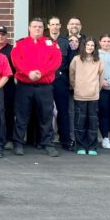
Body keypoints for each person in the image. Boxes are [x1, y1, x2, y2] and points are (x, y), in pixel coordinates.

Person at [11, 18, 62, 157]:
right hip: (24, 86)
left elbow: (56, 62)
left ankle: (48, 144)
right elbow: (16, 61)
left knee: (46, 116)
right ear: (29, 28)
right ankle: (18, 144)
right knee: (21, 115)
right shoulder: (20, 43)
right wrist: (29, 73)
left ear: (43, 28)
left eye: (40, 27)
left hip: (44, 86)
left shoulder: (51, 44)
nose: (37, 29)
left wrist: (40, 73)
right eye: (34, 26)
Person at [70, 38, 104, 155]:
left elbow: (101, 78)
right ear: (83, 46)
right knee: (80, 122)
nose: (90, 47)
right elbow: (72, 76)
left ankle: (92, 147)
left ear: (95, 47)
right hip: (79, 95)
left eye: (92, 45)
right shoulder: (76, 59)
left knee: (93, 123)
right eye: (87, 45)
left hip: (93, 96)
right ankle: (80, 146)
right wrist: (77, 88)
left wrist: (96, 89)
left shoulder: (98, 60)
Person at [47, 16, 74, 151]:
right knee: (46, 111)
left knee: (63, 111)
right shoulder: (43, 41)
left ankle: (65, 140)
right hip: (46, 80)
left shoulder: (66, 42)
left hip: (61, 80)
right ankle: (46, 140)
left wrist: (70, 80)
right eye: (52, 24)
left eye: (57, 24)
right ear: (48, 26)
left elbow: (71, 63)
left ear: (60, 26)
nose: (55, 27)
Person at [0, 26, 16, 150]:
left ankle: (9, 138)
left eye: (3, 34)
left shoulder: (12, 50)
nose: (0, 36)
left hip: (8, 85)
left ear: (7, 36)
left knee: (8, 112)